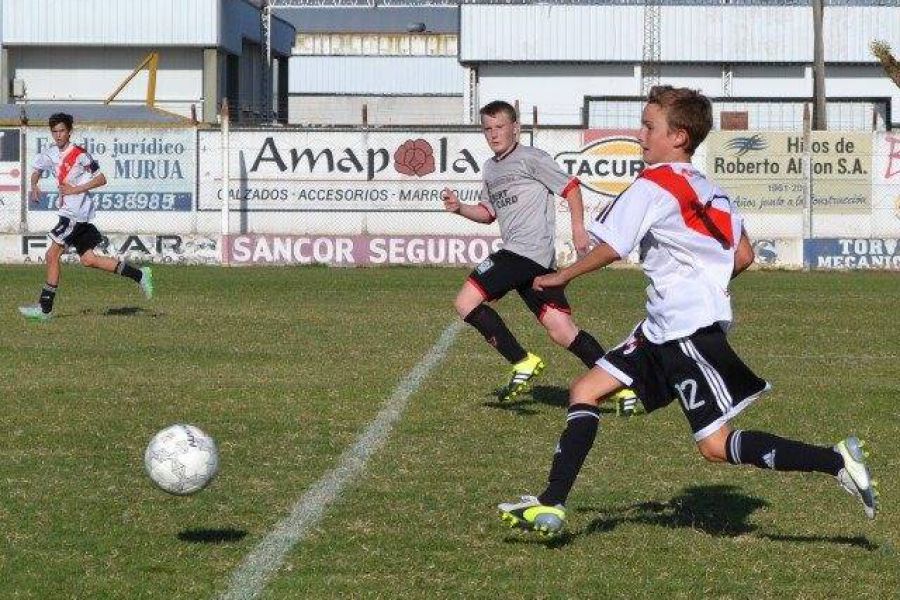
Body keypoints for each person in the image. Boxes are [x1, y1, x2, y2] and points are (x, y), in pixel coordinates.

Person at [497, 86, 877, 536]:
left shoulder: (654, 183)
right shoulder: (715, 192)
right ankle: (551, 503)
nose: (640, 135)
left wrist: (564, 276)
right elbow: (744, 256)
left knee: (715, 445)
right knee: (584, 389)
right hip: (663, 325)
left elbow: (615, 245)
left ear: (678, 137)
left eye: (648, 127)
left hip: (685, 332)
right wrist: (705, 286)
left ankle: (836, 460)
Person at [443, 100, 638, 411]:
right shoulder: (491, 169)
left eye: (500, 127)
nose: (494, 134)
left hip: (523, 253)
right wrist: (459, 209)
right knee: (562, 331)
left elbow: (571, 188)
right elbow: (487, 213)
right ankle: (619, 386)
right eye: (487, 129)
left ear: (515, 128)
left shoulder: (533, 159)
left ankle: (522, 361)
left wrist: (578, 227)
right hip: (534, 265)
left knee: (464, 301)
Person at [19, 113, 153, 321]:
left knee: (51, 256)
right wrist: (34, 183)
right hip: (71, 214)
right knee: (89, 260)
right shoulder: (51, 153)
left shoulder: (80, 155)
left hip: (75, 215)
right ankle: (140, 275)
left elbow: (101, 179)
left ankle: (44, 309)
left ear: (69, 131)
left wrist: (76, 189)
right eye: (54, 131)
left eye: (62, 130)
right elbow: (37, 169)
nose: (58, 135)